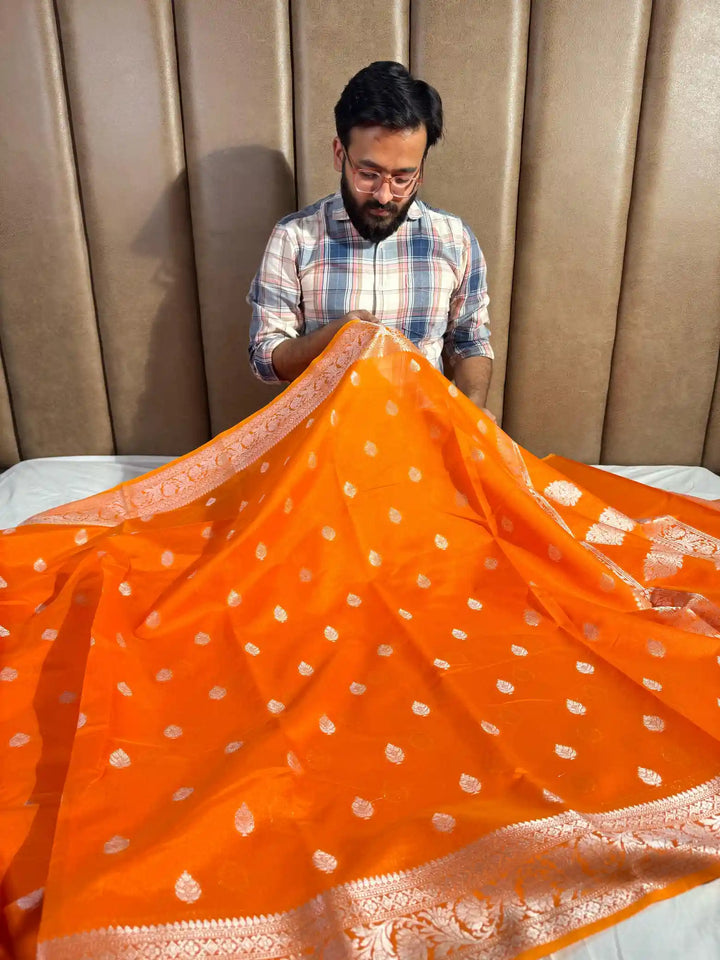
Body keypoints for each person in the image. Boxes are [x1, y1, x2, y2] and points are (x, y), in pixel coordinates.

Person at [248, 60, 495, 418]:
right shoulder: (294, 238)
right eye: (368, 174)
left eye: (402, 178)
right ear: (339, 154)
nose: (383, 195)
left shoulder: (454, 239)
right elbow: (265, 359)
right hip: (324, 443)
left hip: (422, 435)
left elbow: (470, 340)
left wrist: (473, 410)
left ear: (421, 169)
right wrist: (336, 341)